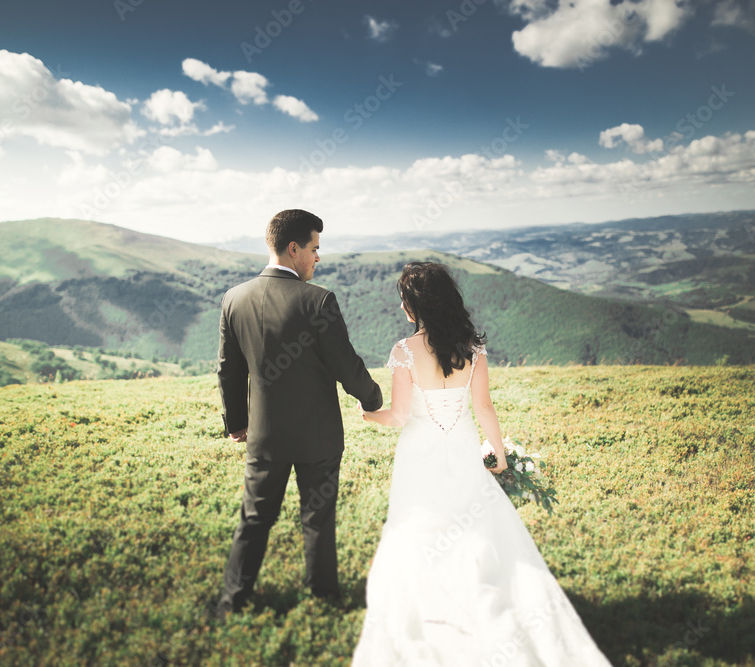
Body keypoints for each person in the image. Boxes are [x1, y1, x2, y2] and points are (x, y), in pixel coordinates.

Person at [351, 261, 611, 666]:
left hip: (418, 453)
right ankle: (477, 589)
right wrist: (499, 452)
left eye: (404, 299)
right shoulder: (472, 348)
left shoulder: (404, 352)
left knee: (418, 523)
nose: (402, 305)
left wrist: (369, 415)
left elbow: (400, 416)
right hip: (461, 444)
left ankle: (432, 597)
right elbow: (484, 406)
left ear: (413, 305)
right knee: (468, 522)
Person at [214, 209, 383, 617]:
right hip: (318, 439)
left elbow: (228, 368)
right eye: (314, 248)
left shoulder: (234, 299)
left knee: (254, 519)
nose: (317, 258)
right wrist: (373, 398)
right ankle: (323, 598)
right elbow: (346, 365)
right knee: (317, 519)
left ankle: (231, 601)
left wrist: (237, 422)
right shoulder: (318, 301)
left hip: (265, 436)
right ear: (293, 249)